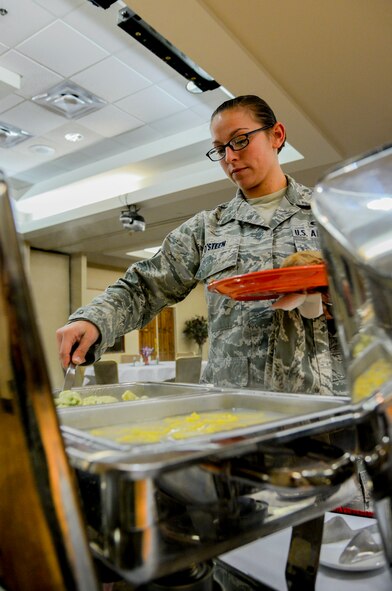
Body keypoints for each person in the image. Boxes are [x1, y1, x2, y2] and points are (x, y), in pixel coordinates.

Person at [57, 95, 346, 396]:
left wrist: (342, 302)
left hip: (327, 401)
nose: (230, 157)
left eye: (240, 140)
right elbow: (142, 287)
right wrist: (93, 320)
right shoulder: (207, 229)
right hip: (237, 404)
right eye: (220, 149)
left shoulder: (332, 214)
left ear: (277, 135)